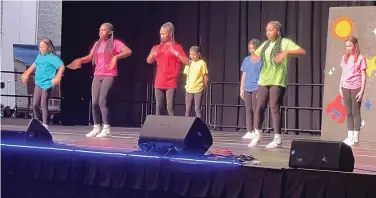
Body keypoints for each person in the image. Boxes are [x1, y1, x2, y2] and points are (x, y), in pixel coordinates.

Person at [67, 22, 132, 138]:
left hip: (109, 74)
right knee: (94, 102)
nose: (100, 32)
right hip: (97, 75)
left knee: (102, 100)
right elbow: (90, 57)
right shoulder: (97, 44)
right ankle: (96, 127)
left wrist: (116, 57)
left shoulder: (115, 43)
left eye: (103, 30)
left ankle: (106, 128)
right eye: (100, 30)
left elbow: (128, 51)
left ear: (110, 32)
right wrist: (79, 60)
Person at [248, 21, 306, 149]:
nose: (268, 32)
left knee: (274, 106)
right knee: (259, 107)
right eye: (267, 30)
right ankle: (257, 135)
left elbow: (302, 51)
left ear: (278, 31)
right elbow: (254, 57)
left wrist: (286, 53)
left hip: (277, 79)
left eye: (271, 30)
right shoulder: (265, 44)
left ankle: (277, 138)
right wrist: (256, 55)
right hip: (264, 79)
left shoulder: (285, 42)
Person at [146, 22, 189, 116]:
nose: (162, 36)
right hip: (159, 80)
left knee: (170, 106)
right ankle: (158, 128)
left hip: (171, 81)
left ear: (170, 34)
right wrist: (153, 55)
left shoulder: (177, 47)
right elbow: (148, 61)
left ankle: (172, 127)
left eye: (164, 34)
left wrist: (177, 54)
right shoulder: (157, 47)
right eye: (161, 34)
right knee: (158, 106)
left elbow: (187, 62)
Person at [21, 39, 65, 130]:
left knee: (43, 103)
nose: (40, 48)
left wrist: (58, 77)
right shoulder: (39, 56)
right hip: (38, 83)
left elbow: (61, 66)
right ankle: (37, 121)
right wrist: (26, 73)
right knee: (35, 104)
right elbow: (33, 66)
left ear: (48, 47)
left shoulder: (52, 58)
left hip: (47, 83)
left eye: (43, 47)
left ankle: (45, 124)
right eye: (39, 47)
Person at [339, 36, 367, 147]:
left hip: (356, 87)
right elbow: (343, 73)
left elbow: (364, 76)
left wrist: (361, 91)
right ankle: (350, 136)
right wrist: (340, 87)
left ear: (355, 45)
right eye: (347, 46)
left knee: (356, 112)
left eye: (350, 46)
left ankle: (356, 138)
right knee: (349, 112)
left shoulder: (360, 58)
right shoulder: (344, 58)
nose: (348, 48)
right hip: (346, 87)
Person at [240, 39, 262, 139]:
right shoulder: (246, 60)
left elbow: (263, 75)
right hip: (247, 87)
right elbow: (244, 75)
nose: (251, 50)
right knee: (248, 109)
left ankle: (256, 130)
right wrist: (241, 88)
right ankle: (249, 131)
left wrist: (260, 89)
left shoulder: (262, 60)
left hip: (256, 87)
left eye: (253, 48)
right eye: (250, 48)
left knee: (255, 109)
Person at [183, 46, 208, 119]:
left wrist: (204, 86)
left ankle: (199, 125)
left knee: (197, 109)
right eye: (191, 55)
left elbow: (205, 76)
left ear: (198, 54)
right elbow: (186, 74)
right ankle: (186, 125)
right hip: (189, 88)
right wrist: (188, 64)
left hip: (198, 88)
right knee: (188, 109)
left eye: (194, 55)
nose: (192, 56)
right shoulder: (189, 63)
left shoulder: (202, 63)